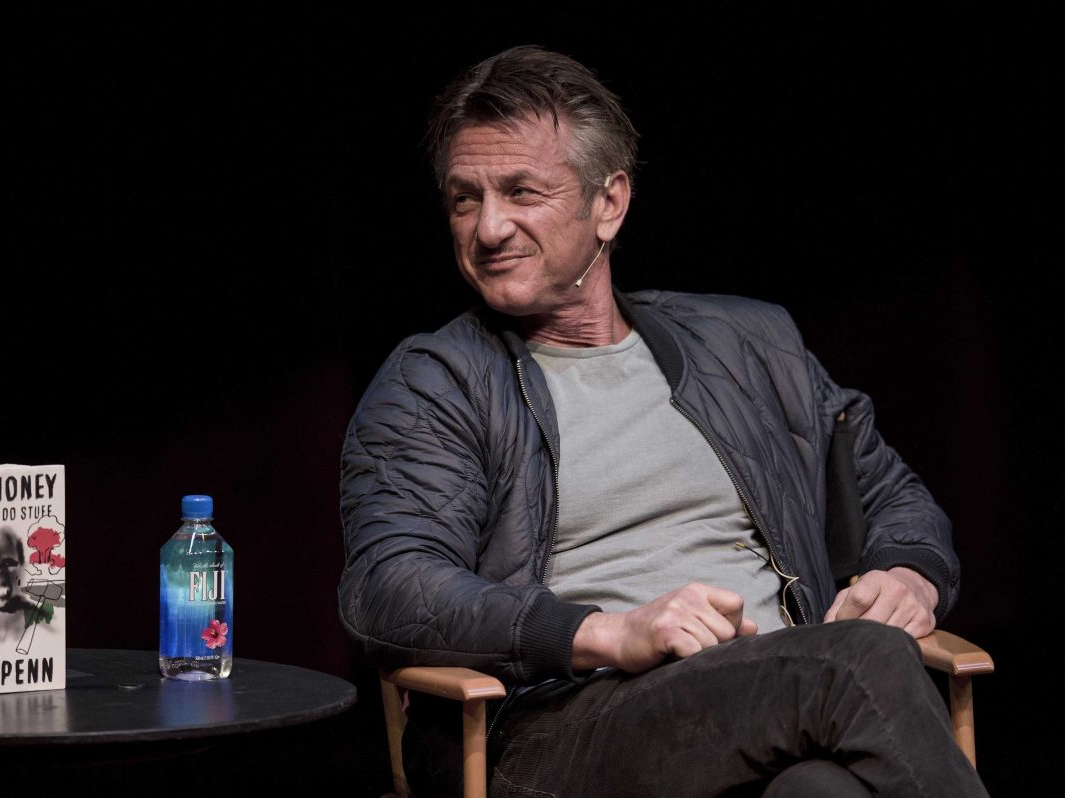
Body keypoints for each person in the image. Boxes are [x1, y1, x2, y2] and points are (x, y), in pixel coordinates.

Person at [339, 45, 988, 797]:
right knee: (865, 660)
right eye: (464, 198)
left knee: (821, 790)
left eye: (522, 192)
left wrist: (910, 574)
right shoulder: (436, 384)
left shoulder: (747, 345)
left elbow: (891, 496)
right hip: (561, 722)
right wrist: (607, 632)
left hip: (779, 700)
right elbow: (391, 589)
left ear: (608, 202)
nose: (489, 228)